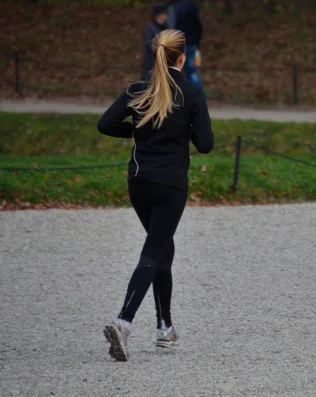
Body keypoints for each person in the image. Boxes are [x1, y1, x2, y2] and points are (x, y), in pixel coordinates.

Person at [97, 29, 214, 362]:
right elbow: (206, 144)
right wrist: (181, 130)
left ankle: (165, 327)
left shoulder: (138, 89)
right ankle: (125, 322)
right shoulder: (191, 93)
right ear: (182, 56)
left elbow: (105, 124)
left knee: (163, 246)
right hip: (170, 184)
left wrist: (137, 127)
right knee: (154, 249)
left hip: (139, 181)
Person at [166, 0, 204, 89]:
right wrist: (196, 42)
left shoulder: (172, 7)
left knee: (173, 71)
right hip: (191, 44)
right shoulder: (193, 6)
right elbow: (199, 26)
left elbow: (170, 26)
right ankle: (198, 94)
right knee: (191, 71)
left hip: (177, 44)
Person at [140, 5, 168, 80]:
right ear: (157, 15)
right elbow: (147, 43)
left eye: (165, 14)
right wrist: (160, 46)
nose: (165, 16)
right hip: (151, 63)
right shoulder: (150, 28)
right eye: (163, 14)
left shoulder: (167, 27)